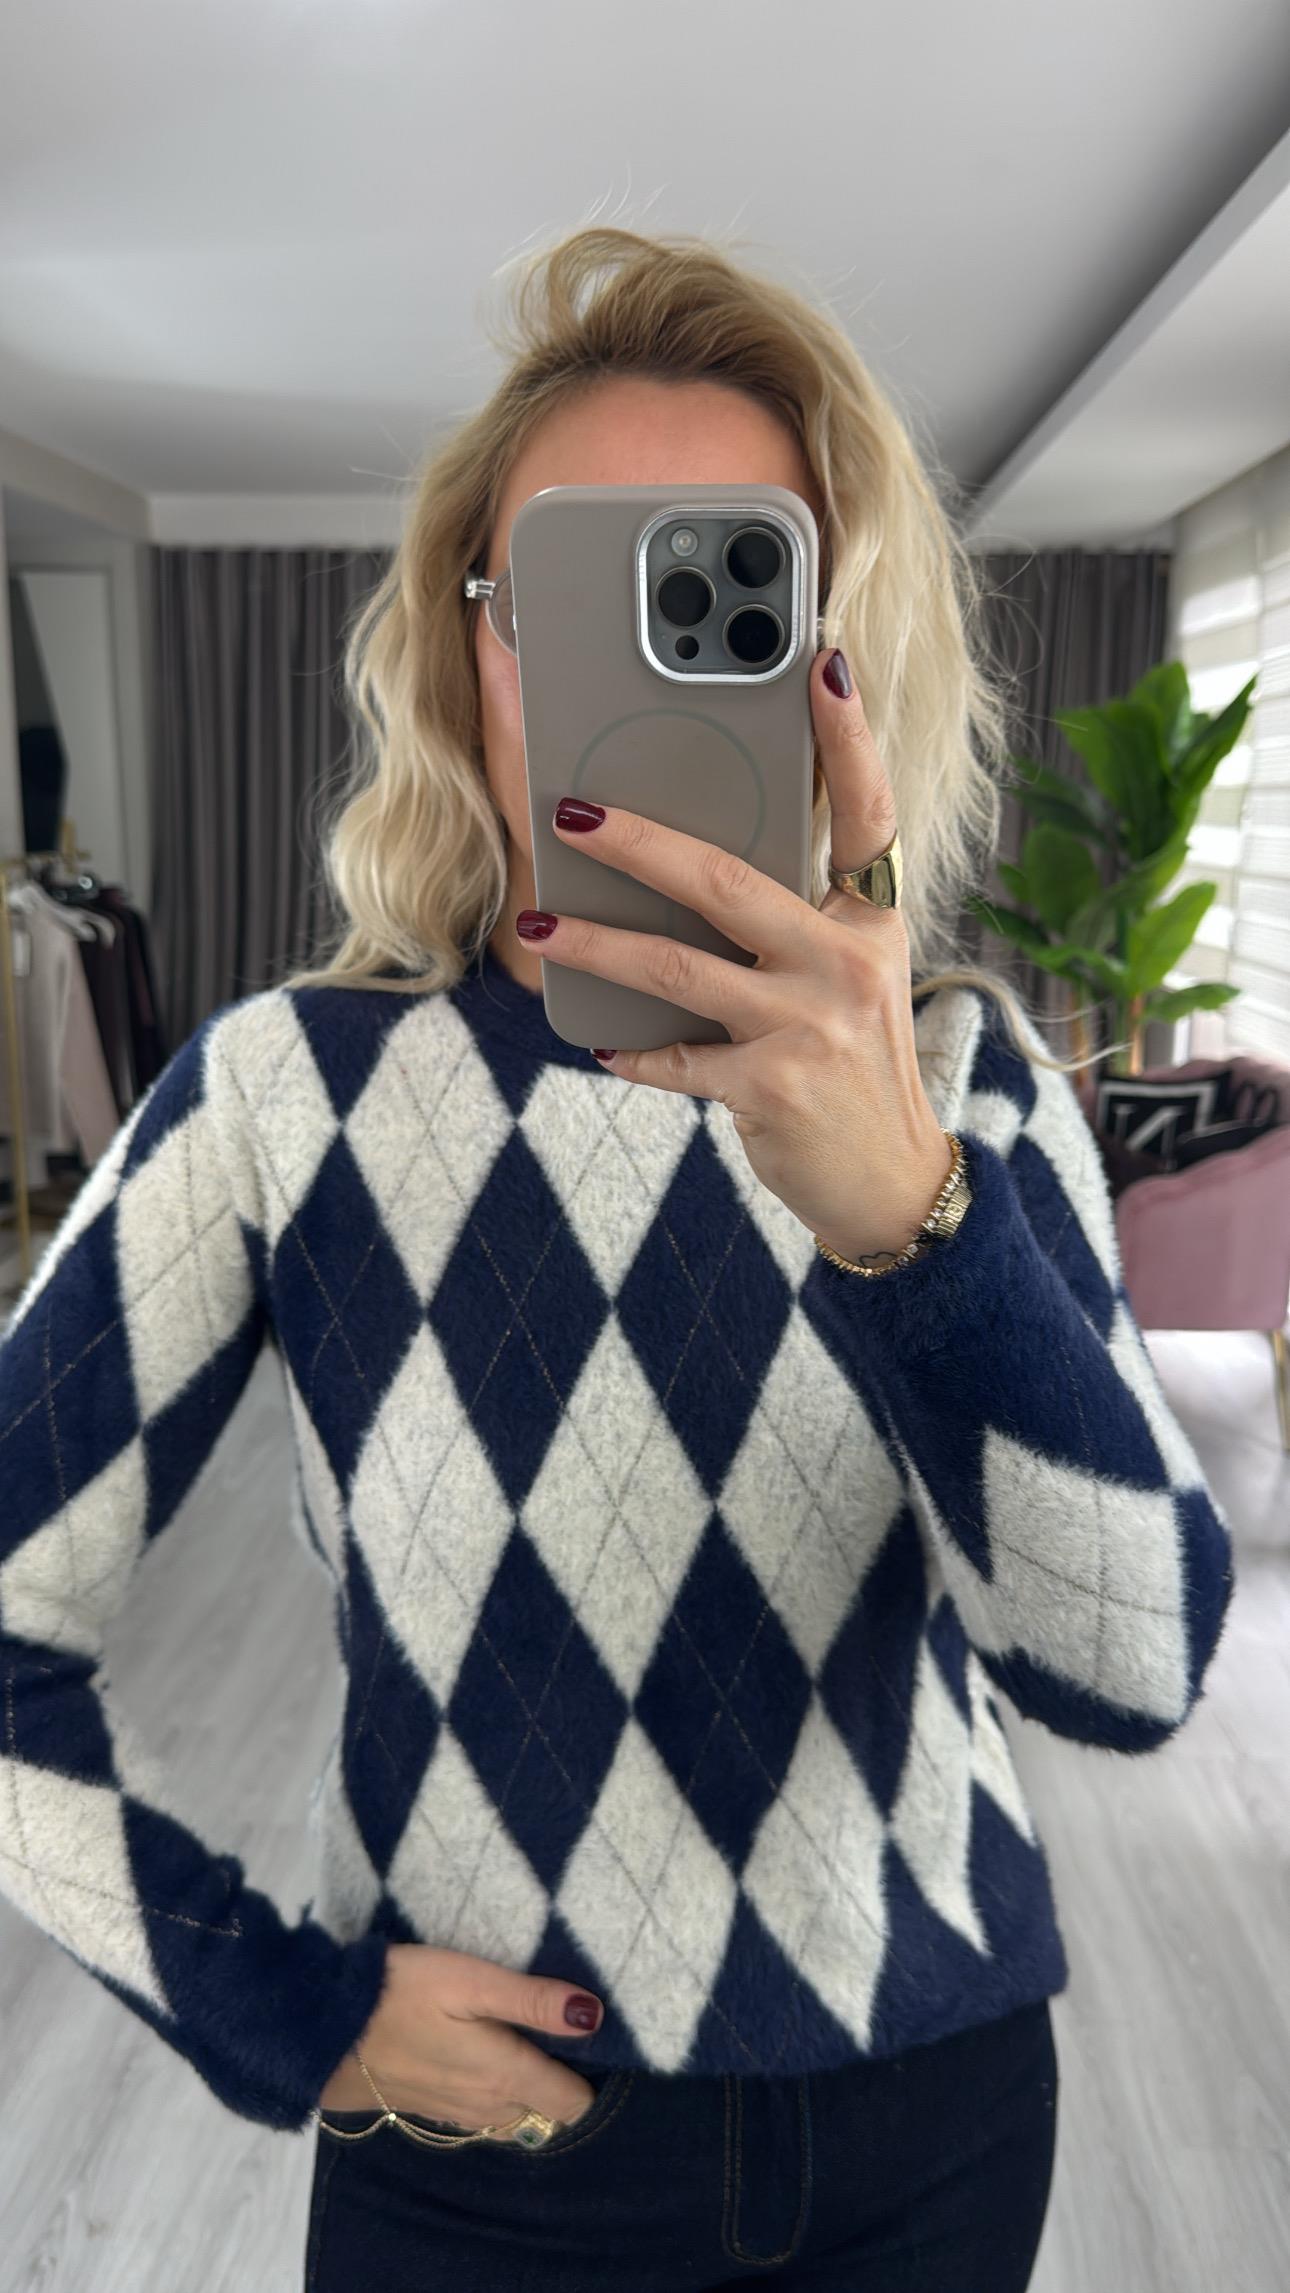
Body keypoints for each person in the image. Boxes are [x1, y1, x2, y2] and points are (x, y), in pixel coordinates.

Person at [0, 228, 1236, 2293]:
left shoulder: (967, 1085)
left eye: (728, 592)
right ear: (467, 648)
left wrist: (904, 1211)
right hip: (474, 2164)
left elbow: (1131, 1670)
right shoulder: (282, 1095)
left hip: (931, 2124)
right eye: (571, 596)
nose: (643, 675)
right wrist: (273, 2001)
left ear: (834, 659)